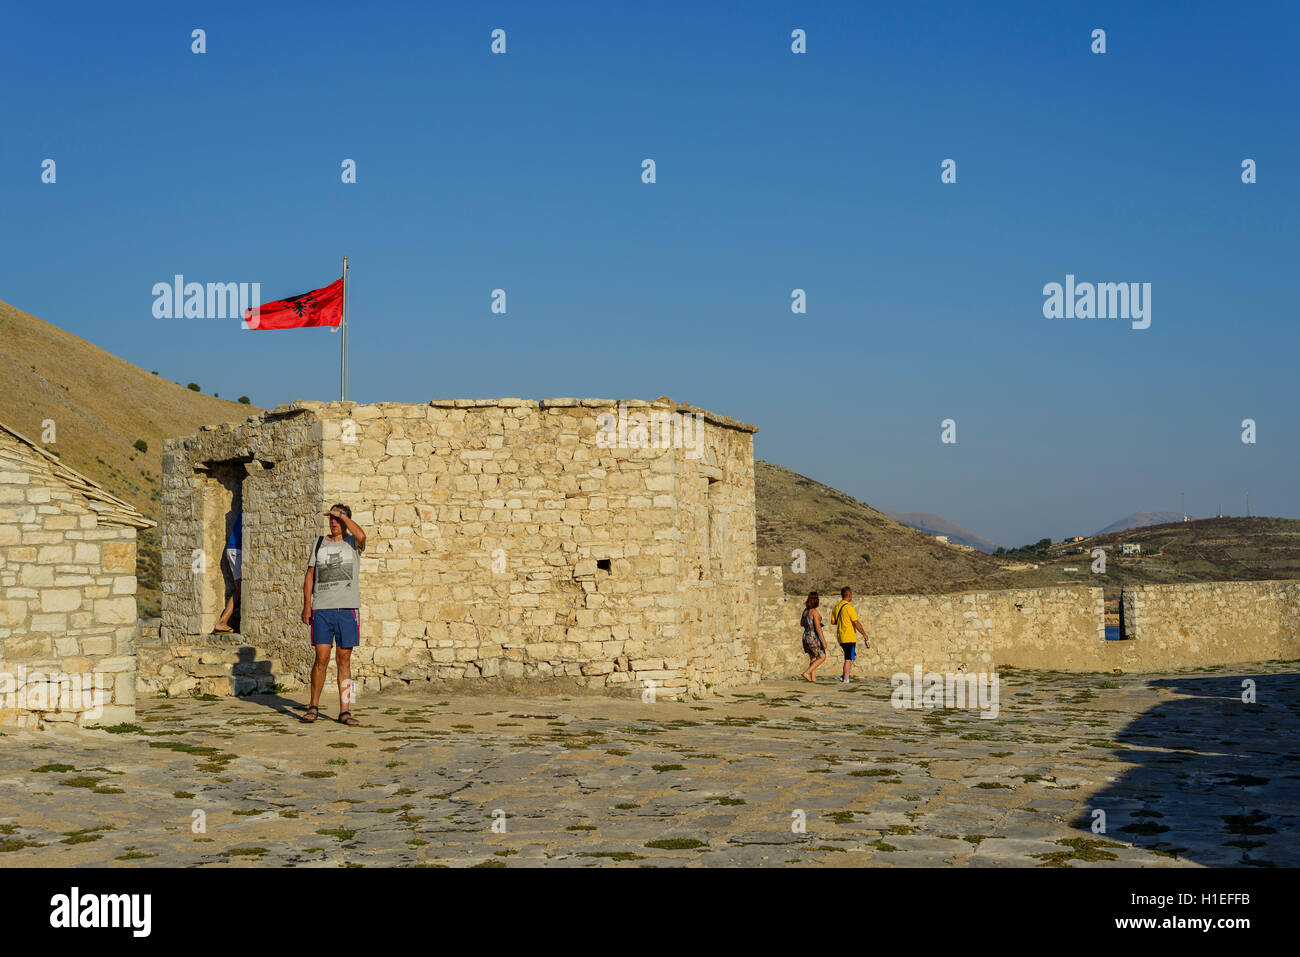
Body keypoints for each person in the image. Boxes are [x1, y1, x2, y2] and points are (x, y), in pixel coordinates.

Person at [301, 504, 367, 726]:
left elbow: (361, 535)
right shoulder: (319, 543)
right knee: (321, 659)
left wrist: (343, 516)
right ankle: (313, 706)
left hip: (347, 609)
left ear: (346, 520)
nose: (333, 522)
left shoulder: (353, 544)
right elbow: (310, 576)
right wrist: (307, 605)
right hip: (322, 609)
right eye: (331, 518)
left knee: (344, 660)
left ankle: (345, 710)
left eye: (337, 518)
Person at [830, 586, 869, 683]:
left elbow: (833, 622)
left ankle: (844, 675)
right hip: (849, 637)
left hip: (841, 636)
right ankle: (846, 679)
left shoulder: (836, 607)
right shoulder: (849, 607)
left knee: (852, 656)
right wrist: (864, 634)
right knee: (848, 658)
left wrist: (843, 620)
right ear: (849, 595)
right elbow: (856, 622)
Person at [213, 511, 242, 633]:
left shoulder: (241, 512)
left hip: (233, 549)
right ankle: (222, 622)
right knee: (241, 590)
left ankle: (223, 621)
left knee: (239, 589)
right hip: (238, 550)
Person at [799, 592, 827, 681]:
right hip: (812, 636)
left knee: (813, 657)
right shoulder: (814, 612)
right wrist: (823, 641)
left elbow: (801, 624)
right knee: (822, 657)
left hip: (805, 636)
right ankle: (806, 672)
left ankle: (813, 679)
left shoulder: (805, 611)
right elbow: (818, 628)